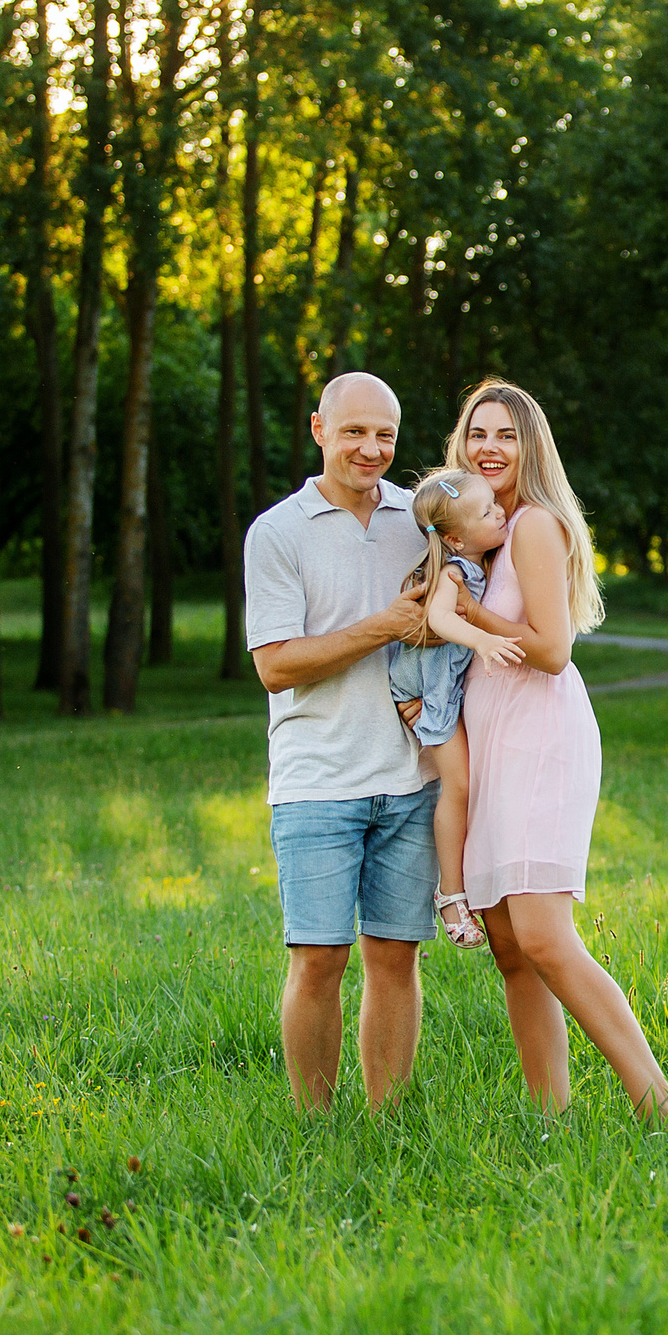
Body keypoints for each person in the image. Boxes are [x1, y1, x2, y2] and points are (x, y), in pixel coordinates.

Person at [448, 378, 668, 1116]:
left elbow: (551, 649)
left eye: (506, 435)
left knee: (545, 935)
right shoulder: (484, 530)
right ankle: (551, 1113)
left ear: (530, 446)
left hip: (539, 736)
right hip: (490, 737)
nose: (490, 447)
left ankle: (659, 1103)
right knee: (509, 943)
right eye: (478, 433)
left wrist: (469, 613)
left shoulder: (536, 527)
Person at [244, 372, 450, 1111]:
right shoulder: (278, 532)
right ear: (318, 429)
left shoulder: (420, 519)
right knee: (318, 957)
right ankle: (315, 1124)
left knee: (395, 956)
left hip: (410, 777)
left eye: (385, 435)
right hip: (316, 780)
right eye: (355, 431)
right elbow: (276, 666)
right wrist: (385, 626)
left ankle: (386, 1120)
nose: (371, 448)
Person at [385, 466, 523, 951]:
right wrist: (483, 639)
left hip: (438, 686)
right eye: (487, 511)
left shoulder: (481, 561)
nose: (500, 510)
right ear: (455, 540)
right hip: (428, 688)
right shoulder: (454, 570)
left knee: (467, 783)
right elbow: (441, 617)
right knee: (458, 785)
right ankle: (451, 892)